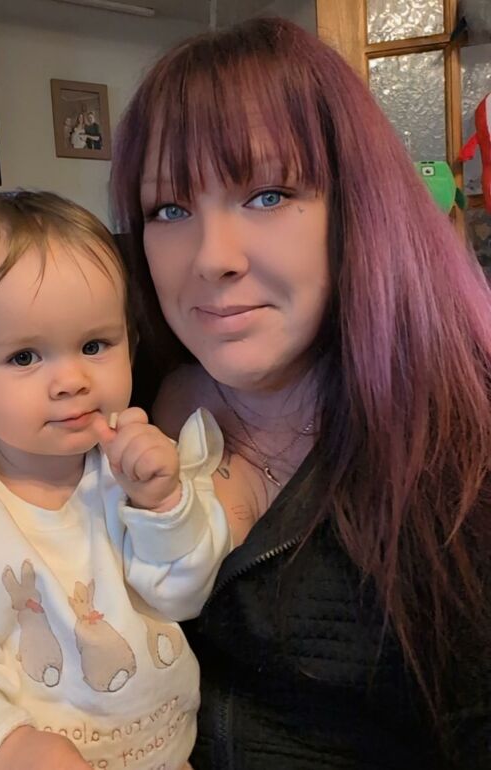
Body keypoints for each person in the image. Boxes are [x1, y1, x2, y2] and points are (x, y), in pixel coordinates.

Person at [109, 16, 491, 769]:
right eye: (170, 210)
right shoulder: (113, 402)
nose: (212, 258)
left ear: (357, 208)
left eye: (267, 195)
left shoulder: (464, 455)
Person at [0, 191, 230, 770]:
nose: (72, 379)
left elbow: (184, 596)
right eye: (25, 357)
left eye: (95, 345)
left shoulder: (140, 474)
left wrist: (164, 506)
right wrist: (0, 749)